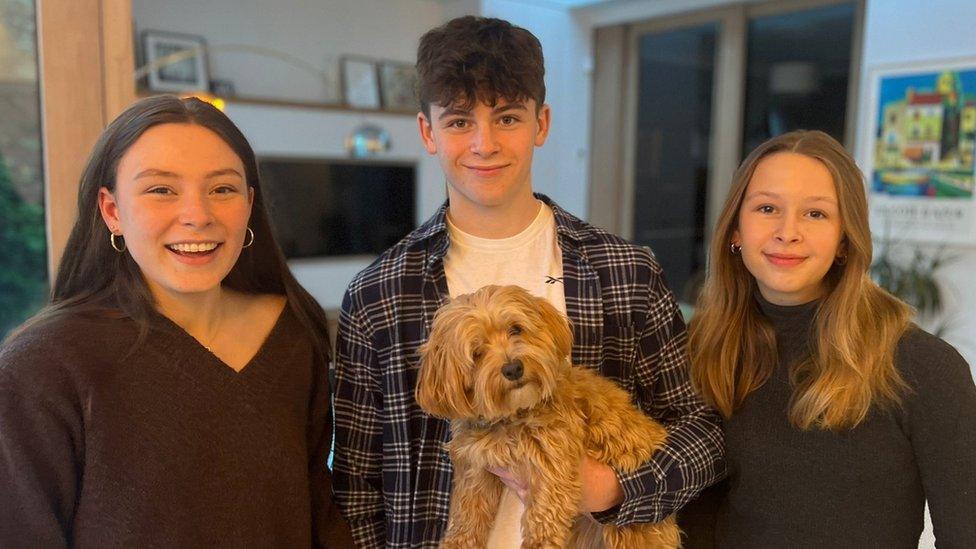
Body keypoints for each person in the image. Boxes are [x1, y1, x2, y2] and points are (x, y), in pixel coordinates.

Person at [332, 16, 725, 548]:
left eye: (507, 118)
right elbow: (356, 488)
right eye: (458, 122)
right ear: (428, 132)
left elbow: (703, 436)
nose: (484, 144)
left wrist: (612, 489)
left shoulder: (626, 272)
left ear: (541, 124)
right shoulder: (378, 295)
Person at [0, 95, 354, 547]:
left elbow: (320, 517)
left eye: (222, 189)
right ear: (111, 210)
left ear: (248, 203)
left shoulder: (292, 336)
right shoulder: (41, 366)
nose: (197, 216)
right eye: (161, 189)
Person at [681, 130, 976, 547]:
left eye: (816, 214)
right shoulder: (698, 351)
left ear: (844, 239)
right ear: (735, 231)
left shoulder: (925, 367)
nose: (788, 232)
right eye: (767, 208)